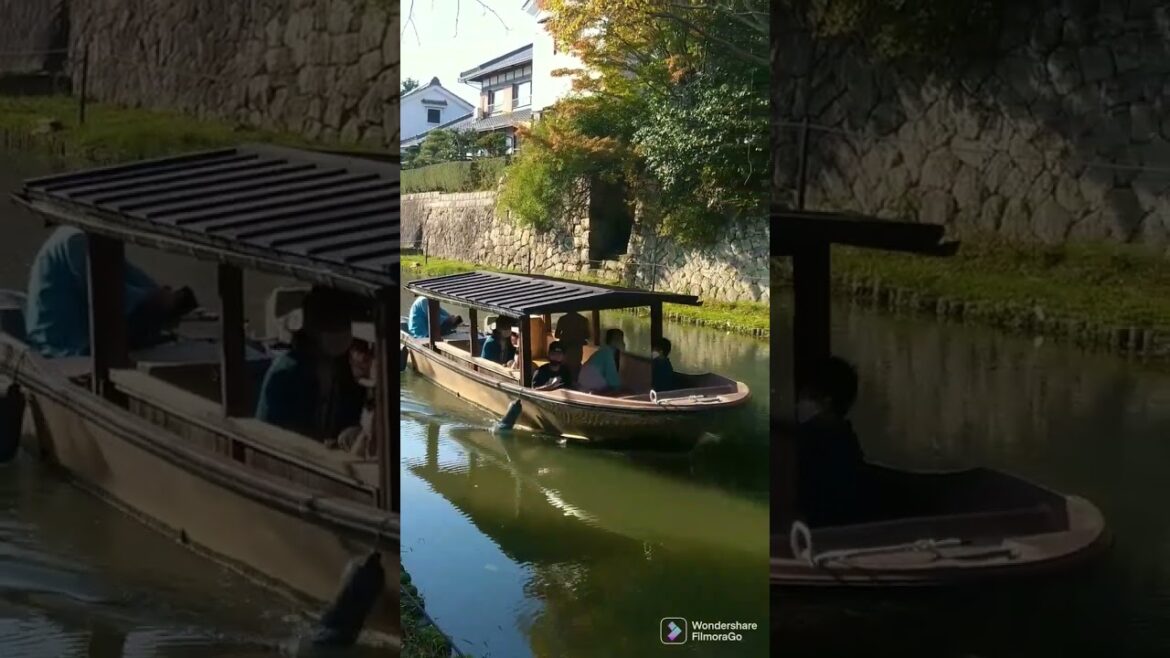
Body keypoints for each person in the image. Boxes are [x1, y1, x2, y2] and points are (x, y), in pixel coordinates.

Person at [24, 226, 196, 358]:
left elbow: (125, 271)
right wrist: (151, 298)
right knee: (143, 312)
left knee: (152, 307)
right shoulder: (75, 239)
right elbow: (101, 290)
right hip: (61, 341)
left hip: (77, 331)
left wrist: (158, 292)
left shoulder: (93, 237)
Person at [256, 287, 365, 442]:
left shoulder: (349, 369)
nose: (338, 330)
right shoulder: (285, 372)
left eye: (343, 323)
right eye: (331, 323)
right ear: (311, 327)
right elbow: (271, 430)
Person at [795, 355, 868, 528]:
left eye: (805, 394)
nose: (798, 403)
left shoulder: (811, 439)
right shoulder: (846, 438)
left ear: (826, 401)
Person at [577, 328, 625, 394]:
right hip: (591, 385)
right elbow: (612, 378)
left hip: (583, 383)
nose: (623, 343)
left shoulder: (603, 351)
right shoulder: (608, 353)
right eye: (621, 340)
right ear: (615, 340)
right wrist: (620, 389)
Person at [554, 310, 589, 378]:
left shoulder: (563, 319)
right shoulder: (582, 319)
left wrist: (566, 337)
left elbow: (556, 335)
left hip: (565, 347)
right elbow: (587, 335)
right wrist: (578, 337)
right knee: (575, 368)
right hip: (577, 348)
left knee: (564, 367)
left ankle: (564, 383)